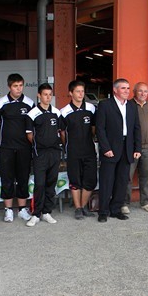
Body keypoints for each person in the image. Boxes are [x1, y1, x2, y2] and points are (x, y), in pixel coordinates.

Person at [95, 78, 142, 222]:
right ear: (115, 90)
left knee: (122, 181)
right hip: (110, 148)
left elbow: (136, 128)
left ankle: (115, 209)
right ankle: (103, 211)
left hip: (127, 147)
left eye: (128, 88)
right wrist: (105, 148)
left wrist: (137, 148)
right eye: (123, 88)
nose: (127, 91)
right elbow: (100, 129)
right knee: (107, 181)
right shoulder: (105, 105)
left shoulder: (132, 106)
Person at [0, 73, 35, 223]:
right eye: (15, 86)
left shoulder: (29, 103)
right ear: (9, 86)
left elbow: (32, 126)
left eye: (21, 85)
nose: (18, 89)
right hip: (6, 148)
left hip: (24, 148)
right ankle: (8, 210)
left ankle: (22, 209)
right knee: (7, 179)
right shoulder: (1, 103)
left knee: (23, 178)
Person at [25, 83, 63, 227]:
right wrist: (39, 144)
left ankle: (47, 212)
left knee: (51, 183)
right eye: (45, 94)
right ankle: (36, 214)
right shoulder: (32, 114)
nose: (48, 97)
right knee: (40, 184)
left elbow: (60, 131)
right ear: (39, 96)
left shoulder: (56, 112)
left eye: (50, 94)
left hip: (54, 153)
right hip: (40, 153)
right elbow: (29, 135)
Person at [59, 80, 98, 220]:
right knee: (75, 180)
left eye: (82, 91)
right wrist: (68, 146)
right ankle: (78, 209)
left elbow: (94, 128)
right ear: (71, 93)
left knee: (90, 180)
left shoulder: (91, 108)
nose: (81, 94)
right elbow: (62, 133)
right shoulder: (64, 112)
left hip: (89, 150)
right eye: (78, 91)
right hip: (73, 152)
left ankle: (83, 206)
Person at [123, 82, 148, 213]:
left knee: (146, 175)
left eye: (145, 91)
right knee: (127, 175)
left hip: (147, 147)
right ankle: (124, 203)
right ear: (134, 92)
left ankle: (145, 202)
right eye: (140, 91)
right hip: (132, 147)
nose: (143, 94)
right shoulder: (128, 105)